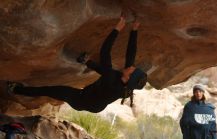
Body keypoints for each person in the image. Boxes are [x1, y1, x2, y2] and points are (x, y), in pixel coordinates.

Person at [7, 16, 147, 113]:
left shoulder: (112, 82)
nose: (132, 67)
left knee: (51, 90)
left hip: (82, 100)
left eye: (132, 70)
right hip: (98, 97)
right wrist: (134, 30)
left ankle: (16, 89)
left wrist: (117, 28)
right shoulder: (127, 81)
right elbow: (131, 54)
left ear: (128, 78)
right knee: (106, 71)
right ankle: (85, 61)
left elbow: (105, 52)